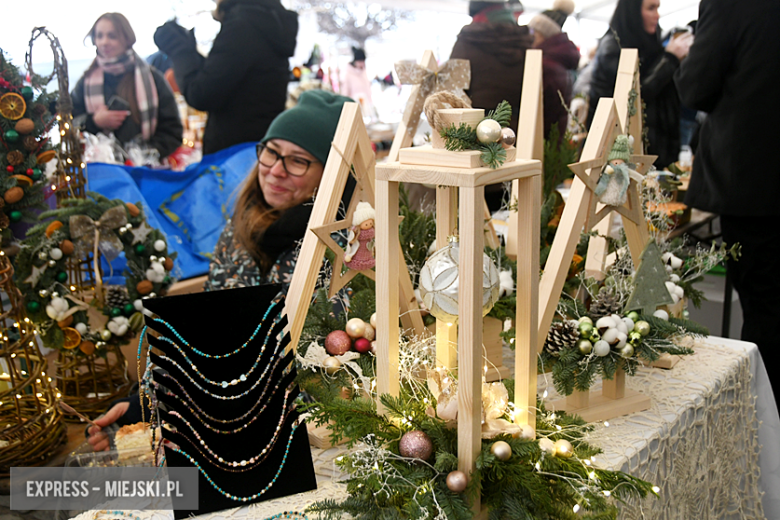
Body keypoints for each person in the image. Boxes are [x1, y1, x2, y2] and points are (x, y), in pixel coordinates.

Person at [87, 89, 354, 450]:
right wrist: (144, 406)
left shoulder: (345, 247)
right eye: (271, 152)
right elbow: (209, 331)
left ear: (329, 174)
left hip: (311, 429)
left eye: (297, 161)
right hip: (226, 412)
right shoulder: (241, 229)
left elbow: (329, 361)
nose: (275, 170)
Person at [675, 0, 780, 400]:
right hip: (757, 184)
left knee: (765, 312)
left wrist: (684, 59)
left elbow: (697, 86)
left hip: (754, 184)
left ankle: (763, 434)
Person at [154, 0, 298, 156]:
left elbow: (201, 94)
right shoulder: (264, 21)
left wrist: (179, 49)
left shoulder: (244, 25)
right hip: (255, 146)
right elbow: (224, 78)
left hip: (235, 155)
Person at [587, 0, 692, 168]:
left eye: (658, 8)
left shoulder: (651, 42)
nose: (656, 15)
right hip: (624, 153)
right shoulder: (613, 47)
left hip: (654, 149)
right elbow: (634, 94)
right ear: (633, 11)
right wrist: (670, 59)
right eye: (651, 8)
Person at [450, 0, 531, 211]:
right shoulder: (526, 41)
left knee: (476, 218)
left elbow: (452, 92)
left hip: (477, 142)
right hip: (518, 141)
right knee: (514, 214)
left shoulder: (468, 41)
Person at [71, 13, 183, 160]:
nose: (104, 42)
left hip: (145, 172)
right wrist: (94, 121)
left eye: (112, 36)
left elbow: (172, 131)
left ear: (127, 39)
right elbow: (69, 122)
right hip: (100, 170)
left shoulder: (152, 78)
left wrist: (141, 156)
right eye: (99, 36)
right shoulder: (86, 81)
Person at [527, 0, 580, 142]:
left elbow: (542, 111)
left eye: (534, 32)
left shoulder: (545, 65)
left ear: (544, 34)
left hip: (543, 139)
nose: (530, 36)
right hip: (555, 137)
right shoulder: (558, 60)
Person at [341, 47, 373, 115]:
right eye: (360, 61)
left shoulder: (364, 72)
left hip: (366, 109)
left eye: (363, 61)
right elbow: (345, 93)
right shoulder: (348, 74)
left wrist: (370, 104)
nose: (362, 64)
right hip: (354, 109)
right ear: (355, 61)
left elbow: (368, 89)